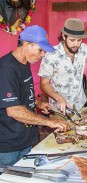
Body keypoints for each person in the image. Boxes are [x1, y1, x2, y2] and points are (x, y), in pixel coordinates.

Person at [0, 25, 70, 168]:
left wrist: (37, 103)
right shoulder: (6, 68)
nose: (43, 54)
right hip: (9, 146)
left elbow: (20, 95)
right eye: (40, 50)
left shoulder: (24, 63)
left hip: (25, 139)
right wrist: (49, 122)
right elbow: (13, 110)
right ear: (26, 44)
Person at [38, 18, 87, 114]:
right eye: (72, 40)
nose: (76, 44)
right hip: (59, 110)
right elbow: (44, 84)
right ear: (64, 36)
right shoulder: (51, 54)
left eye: (79, 40)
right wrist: (58, 98)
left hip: (80, 106)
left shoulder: (83, 49)